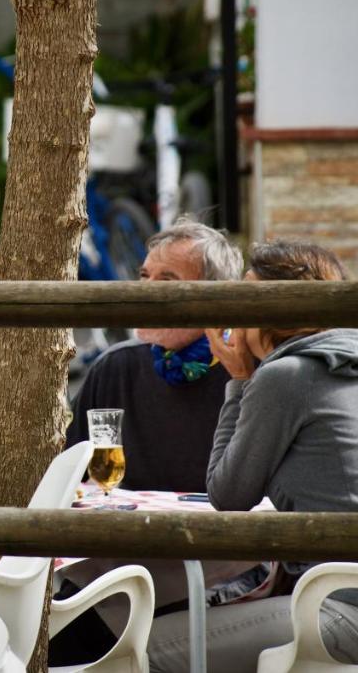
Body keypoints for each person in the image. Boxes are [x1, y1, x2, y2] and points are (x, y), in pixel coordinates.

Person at [145, 240, 358, 673]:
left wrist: (240, 379)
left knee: (147, 648)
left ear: (276, 311)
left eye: (247, 297)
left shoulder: (286, 377)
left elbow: (227, 494)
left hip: (346, 611)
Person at [53, 219, 244, 665]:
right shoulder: (116, 369)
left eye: (168, 280)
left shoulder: (245, 376)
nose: (147, 290)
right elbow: (72, 477)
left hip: (220, 573)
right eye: (144, 278)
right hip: (121, 573)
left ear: (212, 295)